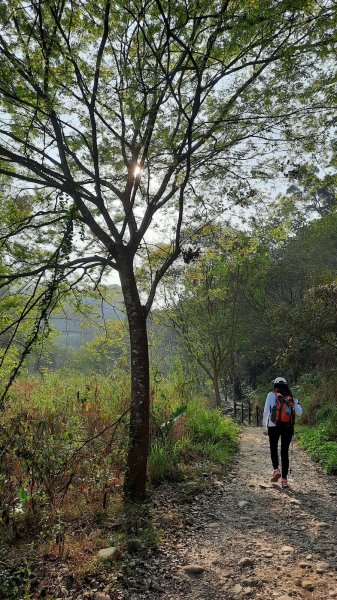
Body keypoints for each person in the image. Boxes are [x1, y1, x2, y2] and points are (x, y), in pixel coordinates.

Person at [263, 376, 303, 488]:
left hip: (273, 425)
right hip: (288, 427)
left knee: (273, 448)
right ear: (286, 385)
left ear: (275, 385)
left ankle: (276, 470)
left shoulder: (271, 395)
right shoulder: (291, 397)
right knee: (284, 451)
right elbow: (300, 413)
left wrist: (264, 426)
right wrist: (297, 403)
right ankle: (284, 480)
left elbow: (266, 411)